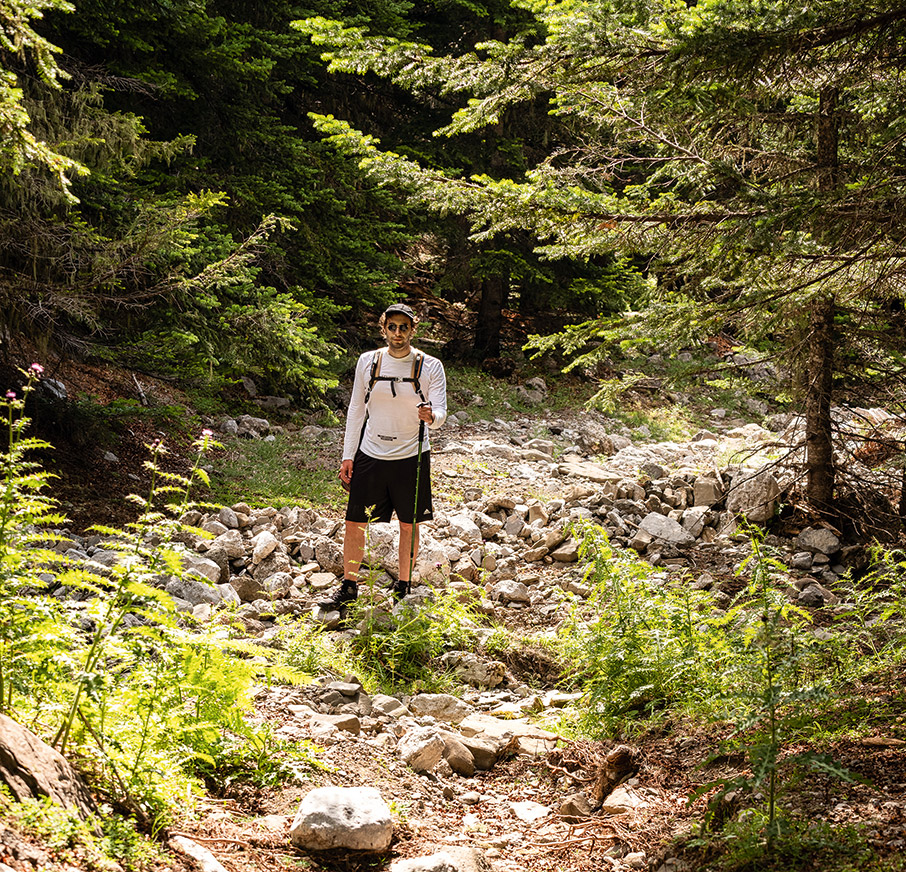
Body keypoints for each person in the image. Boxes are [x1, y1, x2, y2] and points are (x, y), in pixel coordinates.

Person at [320, 303, 447, 611]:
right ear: (383, 328)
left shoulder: (430, 366)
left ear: (413, 329)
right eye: (393, 327)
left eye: (404, 327)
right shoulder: (368, 362)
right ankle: (349, 587)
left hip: (412, 454)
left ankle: (403, 587)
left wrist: (432, 417)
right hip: (371, 452)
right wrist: (347, 456)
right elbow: (356, 409)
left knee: (409, 524)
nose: (398, 333)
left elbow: (442, 411)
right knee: (354, 521)